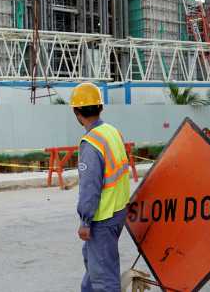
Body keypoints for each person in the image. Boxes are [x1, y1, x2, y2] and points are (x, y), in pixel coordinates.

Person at [70, 83, 131, 292]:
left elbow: (90, 188)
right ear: (100, 108)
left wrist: (85, 221)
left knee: (104, 279)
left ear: (76, 112)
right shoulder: (112, 132)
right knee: (94, 264)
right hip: (119, 211)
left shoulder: (91, 143)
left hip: (102, 218)